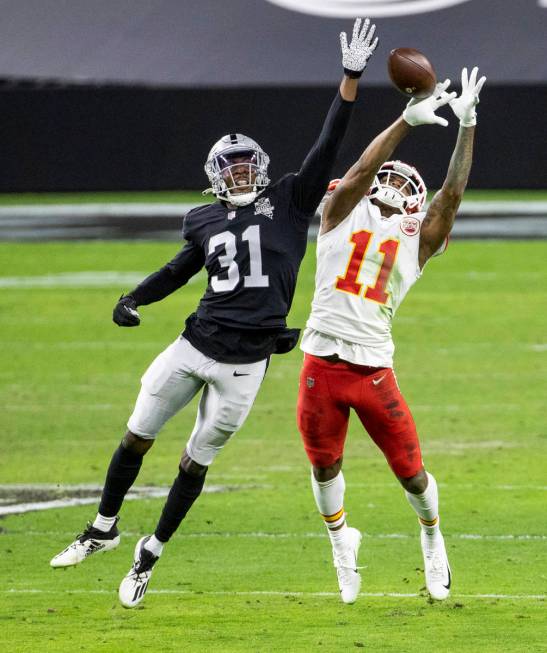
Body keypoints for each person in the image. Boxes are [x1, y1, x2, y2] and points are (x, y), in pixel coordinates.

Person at [50, 18, 380, 608]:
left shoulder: (290, 199)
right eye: (230, 169)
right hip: (193, 344)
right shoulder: (200, 221)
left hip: (245, 366)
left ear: (262, 166)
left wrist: (350, 79)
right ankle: (103, 527)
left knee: (194, 462)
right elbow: (180, 270)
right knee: (135, 437)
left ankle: (149, 553)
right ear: (213, 178)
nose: (241, 174)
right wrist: (133, 298)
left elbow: (327, 144)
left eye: (247, 165)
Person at [296, 67, 486, 604]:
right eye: (391, 178)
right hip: (321, 364)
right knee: (323, 463)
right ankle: (340, 544)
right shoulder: (337, 211)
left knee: (411, 473)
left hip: (373, 368)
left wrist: (466, 126)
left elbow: (449, 198)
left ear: (412, 204)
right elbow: (358, 169)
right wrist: (405, 119)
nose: (395, 188)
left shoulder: (415, 239)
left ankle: (432, 537)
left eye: (408, 187)